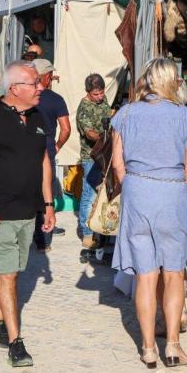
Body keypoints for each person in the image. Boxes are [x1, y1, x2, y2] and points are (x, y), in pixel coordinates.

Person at [110, 57, 187, 369]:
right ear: (171, 81)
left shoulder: (124, 114)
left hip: (137, 194)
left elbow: (117, 165)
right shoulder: (184, 116)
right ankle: (173, 346)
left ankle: (148, 348)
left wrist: (136, 186)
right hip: (172, 194)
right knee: (174, 274)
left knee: (145, 277)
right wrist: (175, 186)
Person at [0, 60, 55, 367]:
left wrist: (48, 203)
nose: (41, 87)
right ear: (15, 88)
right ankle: (16, 343)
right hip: (0, 212)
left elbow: (44, 161)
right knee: (7, 275)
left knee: (12, 273)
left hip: (28, 211)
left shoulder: (38, 117)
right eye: (34, 83)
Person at [32, 58, 70, 250]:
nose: (52, 79)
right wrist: (57, 146)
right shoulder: (55, 100)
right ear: (45, 76)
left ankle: (26, 233)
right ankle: (44, 240)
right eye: (50, 75)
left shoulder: (23, 95)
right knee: (46, 191)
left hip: (25, 148)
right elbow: (65, 129)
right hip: (46, 147)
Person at [75, 74, 112, 248]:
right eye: (95, 94)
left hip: (106, 155)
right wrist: (103, 137)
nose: (99, 97)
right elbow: (89, 133)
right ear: (88, 92)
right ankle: (87, 233)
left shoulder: (103, 101)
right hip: (91, 156)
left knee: (103, 194)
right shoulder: (84, 108)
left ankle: (100, 228)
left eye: (101, 93)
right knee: (89, 194)